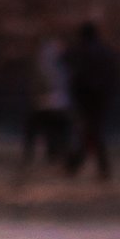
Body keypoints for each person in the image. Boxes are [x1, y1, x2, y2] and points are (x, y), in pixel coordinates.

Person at [66, 21, 120, 178]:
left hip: (87, 98)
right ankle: (81, 165)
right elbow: (114, 75)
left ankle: (78, 164)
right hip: (100, 99)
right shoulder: (104, 52)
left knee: (90, 131)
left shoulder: (83, 52)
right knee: (91, 132)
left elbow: (77, 75)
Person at [19, 33, 70, 173]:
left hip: (47, 102)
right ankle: (51, 156)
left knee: (43, 130)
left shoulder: (47, 61)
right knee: (51, 131)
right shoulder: (53, 63)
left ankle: (39, 155)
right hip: (51, 102)